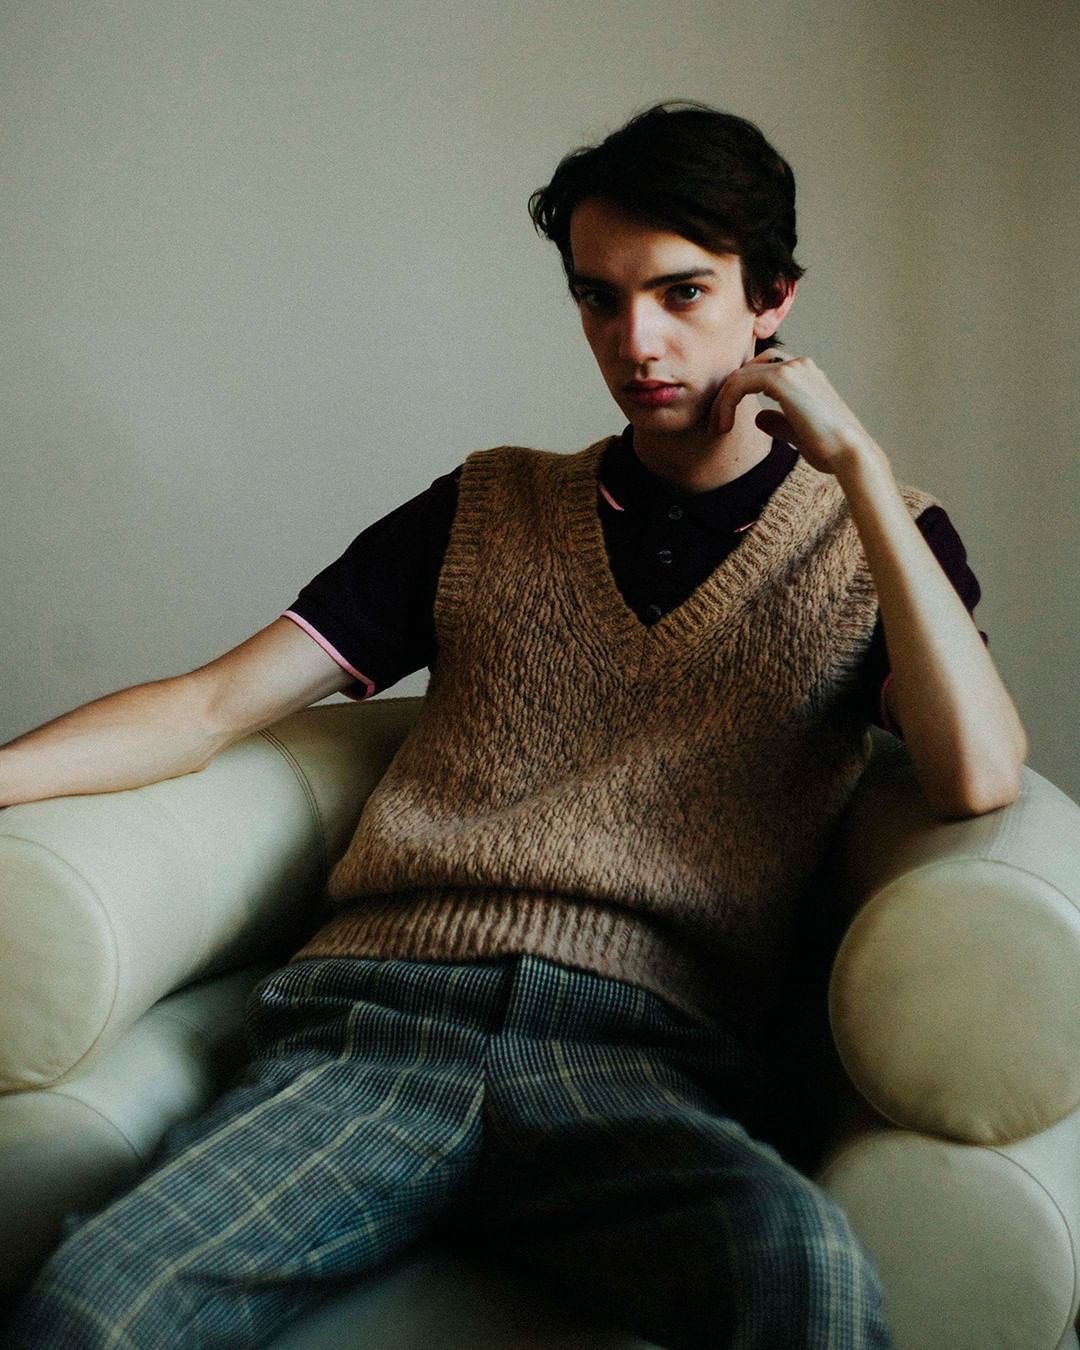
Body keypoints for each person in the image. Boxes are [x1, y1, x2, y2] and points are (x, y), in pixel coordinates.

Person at [1, 101, 1027, 1349]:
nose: (635, 341)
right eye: (600, 299)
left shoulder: (880, 541)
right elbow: (210, 707)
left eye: (682, 293)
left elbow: (976, 776)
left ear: (773, 300)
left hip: (642, 1062)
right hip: (379, 1029)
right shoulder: (488, 507)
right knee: (96, 1302)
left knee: (804, 1275)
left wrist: (857, 469)